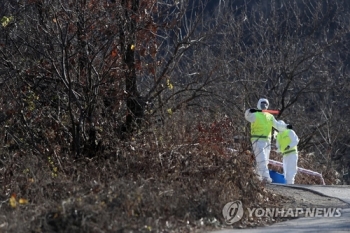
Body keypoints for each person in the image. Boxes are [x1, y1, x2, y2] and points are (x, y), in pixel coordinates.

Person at [245, 98, 292, 183]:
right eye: (262, 103)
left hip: (267, 141)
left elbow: (277, 125)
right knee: (261, 159)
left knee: (264, 161)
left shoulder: (270, 116)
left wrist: (286, 126)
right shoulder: (255, 114)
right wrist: (249, 111)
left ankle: (258, 178)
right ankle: (266, 178)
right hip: (257, 140)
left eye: (266, 104)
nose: (264, 105)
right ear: (259, 104)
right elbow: (247, 117)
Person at [276, 120, 299, 184]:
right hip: (285, 155)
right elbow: (279, 146)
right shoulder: (278, 135)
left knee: (291, 171)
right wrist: (277, 149)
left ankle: (290, 185)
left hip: (292, 153)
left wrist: (289, 146)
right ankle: (288, 186)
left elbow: (296, 140)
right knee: (286, 172)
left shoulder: (290, 132)